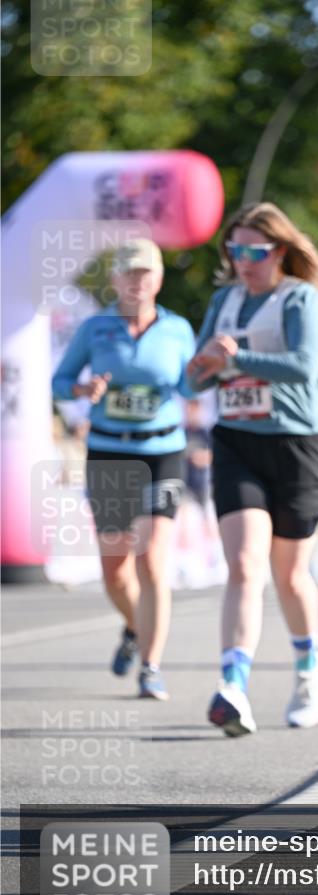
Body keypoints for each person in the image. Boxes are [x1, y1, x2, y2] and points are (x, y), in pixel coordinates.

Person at [187, 202, 318, 736]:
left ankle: (307, 668)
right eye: (235, 250)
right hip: (236, 442)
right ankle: (233, 686)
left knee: (290, 575)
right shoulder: (225, 300)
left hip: (296, 445)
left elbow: (302, 366)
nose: (243, 260)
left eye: (255, 251)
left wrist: (232, 360)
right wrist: (200, 369)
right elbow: (195, 381)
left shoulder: (300, 297)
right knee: (245, 566)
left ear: (280, 251)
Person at [52, 239, 195, 700]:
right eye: (129, 273)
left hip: (162, 451)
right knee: (115, 571)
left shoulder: (177, 330)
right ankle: (134, 628)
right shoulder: (95, 328)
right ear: (115, 279)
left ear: (158, 278)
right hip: (110, 452)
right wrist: (82, 387)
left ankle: (151, 666)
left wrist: (209, 371)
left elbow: (192, 383)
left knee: (151, 559)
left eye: (145, 273)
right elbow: (59, 381)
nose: (137, 281)